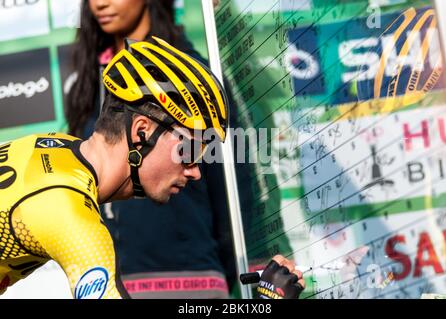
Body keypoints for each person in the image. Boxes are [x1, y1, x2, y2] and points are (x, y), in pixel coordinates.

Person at [0, 38, 305, 299]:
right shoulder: (72, 216)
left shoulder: (50, 149)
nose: (196, 170)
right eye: (189, 150)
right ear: (142, 131)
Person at [66, 0, 236, 298]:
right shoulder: (85, 85)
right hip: (110, 283)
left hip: (192, 281)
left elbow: (233, 183)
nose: (101, 3)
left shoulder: (191, 77)